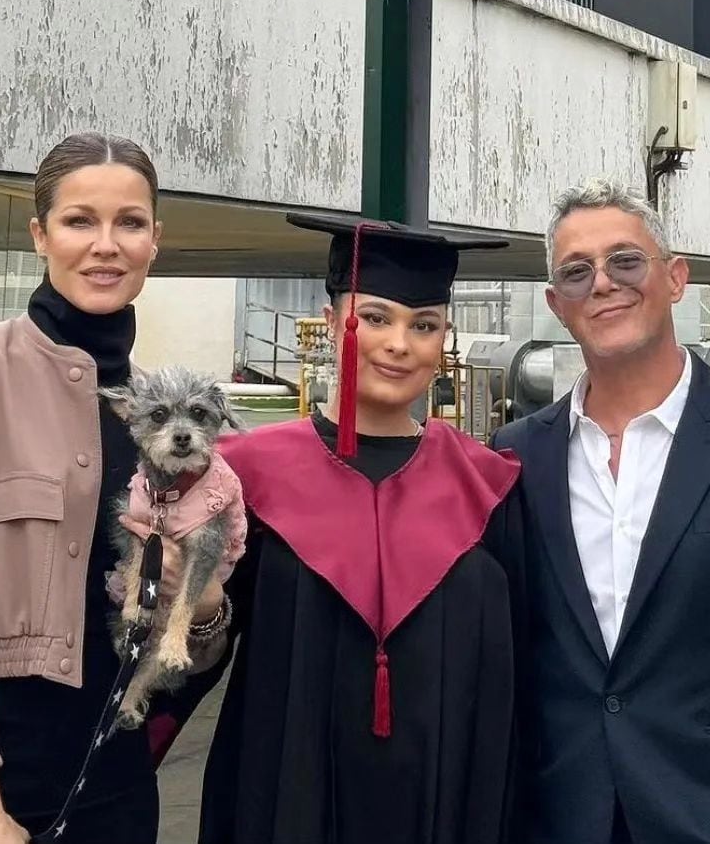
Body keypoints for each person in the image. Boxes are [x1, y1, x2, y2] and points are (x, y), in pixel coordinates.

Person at [0, 132, 224, 844]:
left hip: (114, 784)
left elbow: (192, 638)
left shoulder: (168, 417)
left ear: (155, 240)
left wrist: (206, 608)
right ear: (40, 235)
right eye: (79, 221)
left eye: (130, 223)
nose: (106, 245)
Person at [151, 212, 527, 844]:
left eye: (424, 325)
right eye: (375, 318)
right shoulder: (241, 478)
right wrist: (204, 613)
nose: (399, 343)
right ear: (332, 323)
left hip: (444, 800)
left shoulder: (487, 483)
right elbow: (187, 658)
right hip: (289, 792)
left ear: (444, 339)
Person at [492, 178, 710, 844]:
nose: (603, 283)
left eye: (625, 260)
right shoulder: (515, 457)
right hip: (562, 820)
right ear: (556, 304)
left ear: (676, 278)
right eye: (577, 271)